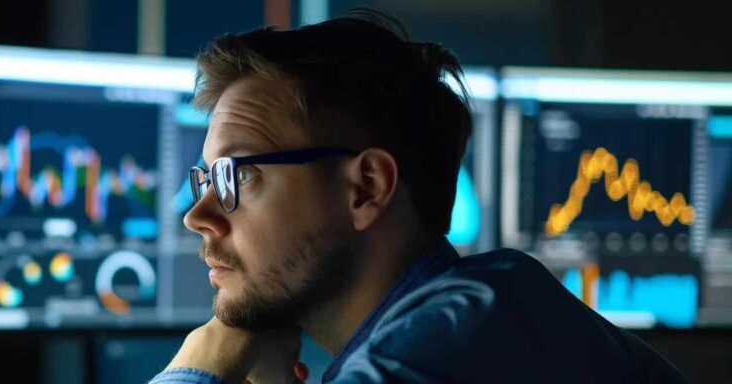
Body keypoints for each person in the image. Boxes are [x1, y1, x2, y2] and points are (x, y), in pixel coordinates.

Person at [150, 8, 687, 384]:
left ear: (367, 189)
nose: (198, 215)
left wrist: (201, 362)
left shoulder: (454, 337)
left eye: (235, 176)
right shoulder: (483, 305)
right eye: (205, 180)